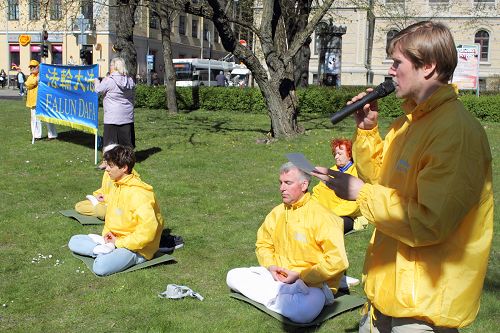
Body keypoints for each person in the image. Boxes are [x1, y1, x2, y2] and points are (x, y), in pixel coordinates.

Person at [312, 21, 493, 332]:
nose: (390, 71)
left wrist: (360, 194)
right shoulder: (407, 124)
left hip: (425, 304)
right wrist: (367, 131)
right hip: (388, 289)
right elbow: (383, 182)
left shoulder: (456, 132)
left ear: (429, 66)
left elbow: (428, 221)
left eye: (397, 62)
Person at [226, 162, 348, 324]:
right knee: (232, 276)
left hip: (312, 286)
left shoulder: (323, 217)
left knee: (303, 313)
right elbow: (263, 244)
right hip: (279, 278)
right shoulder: (277, 213)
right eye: (280, 182)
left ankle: (275, 296)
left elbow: (337, 261)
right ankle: (280, 296)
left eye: (288, 183)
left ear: (304, 185)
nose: (282, 188)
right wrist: (271, 267)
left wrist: (301, 276)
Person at [68, 145, 164, 276]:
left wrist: (119, 242)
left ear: (124, 168)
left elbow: (147, 232)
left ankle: (104, 253)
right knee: (74, 240)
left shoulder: (140, 194)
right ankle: (99, 250)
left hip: (136, 249)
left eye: (110, 166)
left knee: (100, 267)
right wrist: (108, 236)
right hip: (113, 240)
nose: (106, 169)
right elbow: (111, 217)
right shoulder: (117, 185)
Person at [312, 138, 364, 234]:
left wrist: (330, 214)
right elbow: (317, 192)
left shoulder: (357, 174)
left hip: (346, 216)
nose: (336, 157)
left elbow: (354, 205)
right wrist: (312, 208)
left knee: (327, 228)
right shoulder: (330, 171)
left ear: (349, 155)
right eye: (335, 154)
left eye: (340, 154)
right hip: (324, 214)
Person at [73, 144, 139, 220]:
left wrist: (106, 200)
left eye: (110, 164)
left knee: (103, 212)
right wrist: (98, 196)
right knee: (79, 206)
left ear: (124, 167)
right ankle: (102, 210)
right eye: (105, 160)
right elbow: (104, 189)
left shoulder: (133, 186)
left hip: (114, 207)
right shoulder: (111, 173)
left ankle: (104, 212)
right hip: (106, 203)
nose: (106, 168)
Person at [94, 57, 136, 168]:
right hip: (126, 115)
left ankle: (106, 162)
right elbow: (132, 95)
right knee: (126, 142)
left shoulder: (109, 80)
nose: (110, 68)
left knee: (109, 142)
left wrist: (97, 81)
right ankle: (128, 161)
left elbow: (97, 90)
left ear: (115, 67)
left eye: (111, 66)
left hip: (112, 116)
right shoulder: (130, 80)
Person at [25, 60, 58, 141]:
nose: (32, 69)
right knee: (35, 119)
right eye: (30, 67)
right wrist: (36, 79)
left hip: (44, 100)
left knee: (48, 117)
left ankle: (52, 135)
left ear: (38, 67)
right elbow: (28, 84)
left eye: (33, 67)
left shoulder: (44, 75)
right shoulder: (31, 76)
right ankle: (36, 135)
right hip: (33, 102)